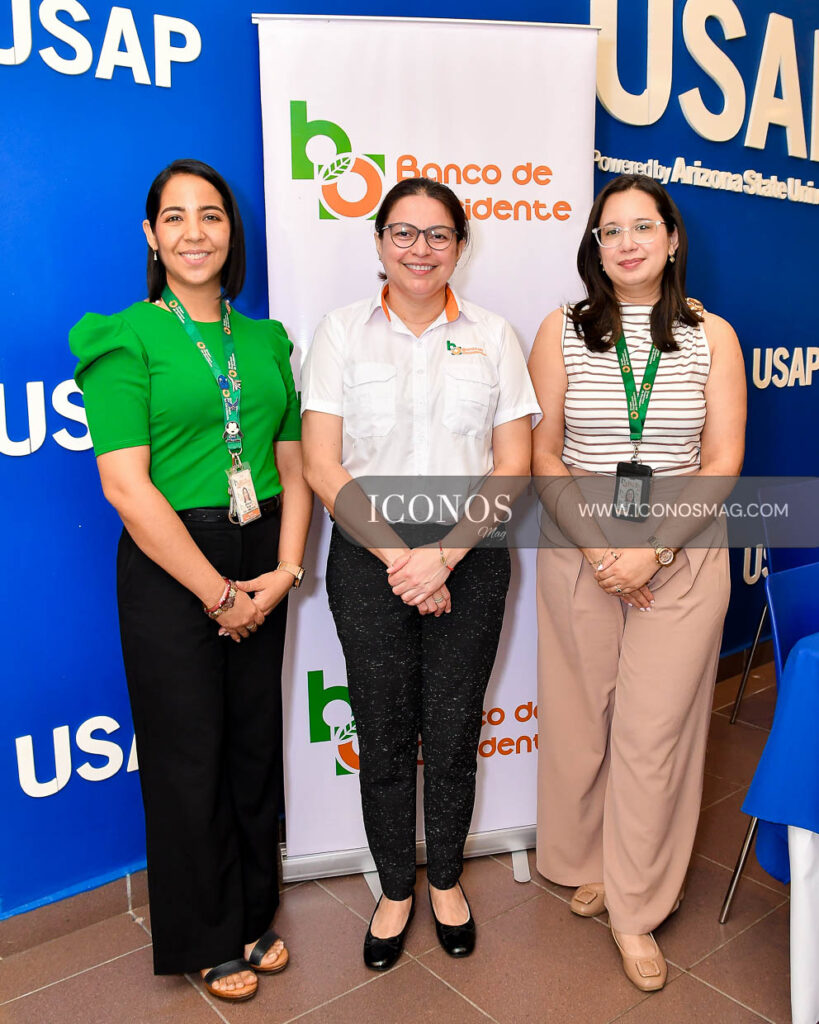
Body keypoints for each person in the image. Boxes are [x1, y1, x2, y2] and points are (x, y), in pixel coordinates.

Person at [70, 159, 312, 1003]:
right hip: (175, 561)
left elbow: (291, 464)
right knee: (188, 754)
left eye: (210, 216)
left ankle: (251, 911)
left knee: (251, 745)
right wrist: (217, 593)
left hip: (262, 554)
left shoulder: (267, 340)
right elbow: (125, 487)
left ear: (230, 232)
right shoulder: (123, 336)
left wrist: (283, 571)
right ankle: (205, 936)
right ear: (151, 236)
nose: (195, 233)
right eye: (174, 218)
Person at [301, 178, 539, 969]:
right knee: (382, 731)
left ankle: (444, 881)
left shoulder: (494, 334)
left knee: (452, 729)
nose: (419, 250)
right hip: (371, 563)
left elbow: (510, 470)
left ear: (459, 248)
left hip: (469, 559)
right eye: (403, 233)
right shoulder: (339, 333)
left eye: (438, 235)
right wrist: (404, 558)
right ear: (377, 242)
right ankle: (395, 889)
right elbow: (323, 465)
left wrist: (442, 556)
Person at [529, 173, 746, 992]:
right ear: (594, 244)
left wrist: (649, 550)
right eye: (609, 229)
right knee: (586, 718)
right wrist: (596, 552)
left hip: (682, 543)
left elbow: (721, 462)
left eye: (641, 227)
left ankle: (636, 911)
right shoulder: (560, 329)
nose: (625, 243)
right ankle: (598, 864)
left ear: (671, 238)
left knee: (654, 734)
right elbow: (543, 454)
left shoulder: (711, 336)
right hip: (577, 538)